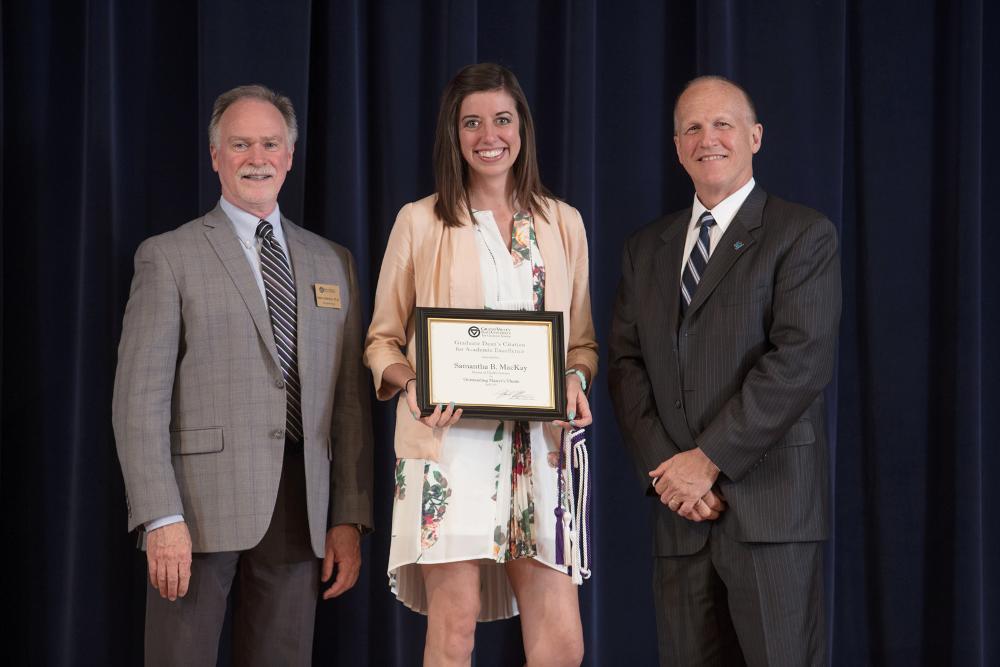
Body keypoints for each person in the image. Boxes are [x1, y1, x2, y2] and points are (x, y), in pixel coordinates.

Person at [112, 84, 373, 666]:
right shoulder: (168, 256)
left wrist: (348, 517)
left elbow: (350, 405)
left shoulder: (333, 261)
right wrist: (160, 516)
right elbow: (138, 402)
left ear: (290, 156)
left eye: (270, 144)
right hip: (196, 511)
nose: (257, 157)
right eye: (240, 144)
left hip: (301, 509)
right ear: (215, 156)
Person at [364, 62, 597, 667]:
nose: (488, 135)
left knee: (562, 641)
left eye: (502, 119)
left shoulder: (563, 223)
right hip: (449, 447)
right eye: (471, 122)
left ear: (522, 129)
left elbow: (582, 346)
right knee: (455, 629)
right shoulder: (420, 221)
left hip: (540, 449)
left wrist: (574, 380)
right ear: (453, 133)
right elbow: (381, 341)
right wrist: (412, 383)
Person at [608, 75, 841, 666]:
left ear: (755, 137)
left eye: (722, 124)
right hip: (680, 518)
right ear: (677, 147)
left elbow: (800, 361)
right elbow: (626, 366)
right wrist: (671, 475)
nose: (706, 138)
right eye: (692, 128)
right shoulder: (645, 249)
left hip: (770, 514)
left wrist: (707, 462)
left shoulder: (802, 234)